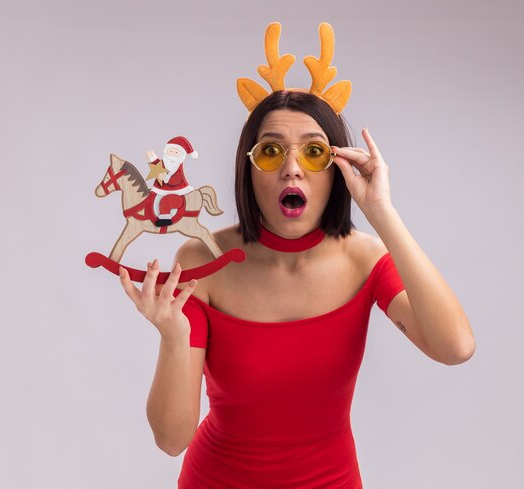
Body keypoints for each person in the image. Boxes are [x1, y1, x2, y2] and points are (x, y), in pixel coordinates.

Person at [118, 89, 476, 488]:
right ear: (248, 169)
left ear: (336, 168)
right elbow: (171, 440)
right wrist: (173, 335)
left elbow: (455, 347)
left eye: (314, 153)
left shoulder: (365, 260)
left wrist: (381, 212)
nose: (292, 168)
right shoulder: (203, 260)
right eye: (271, 152)